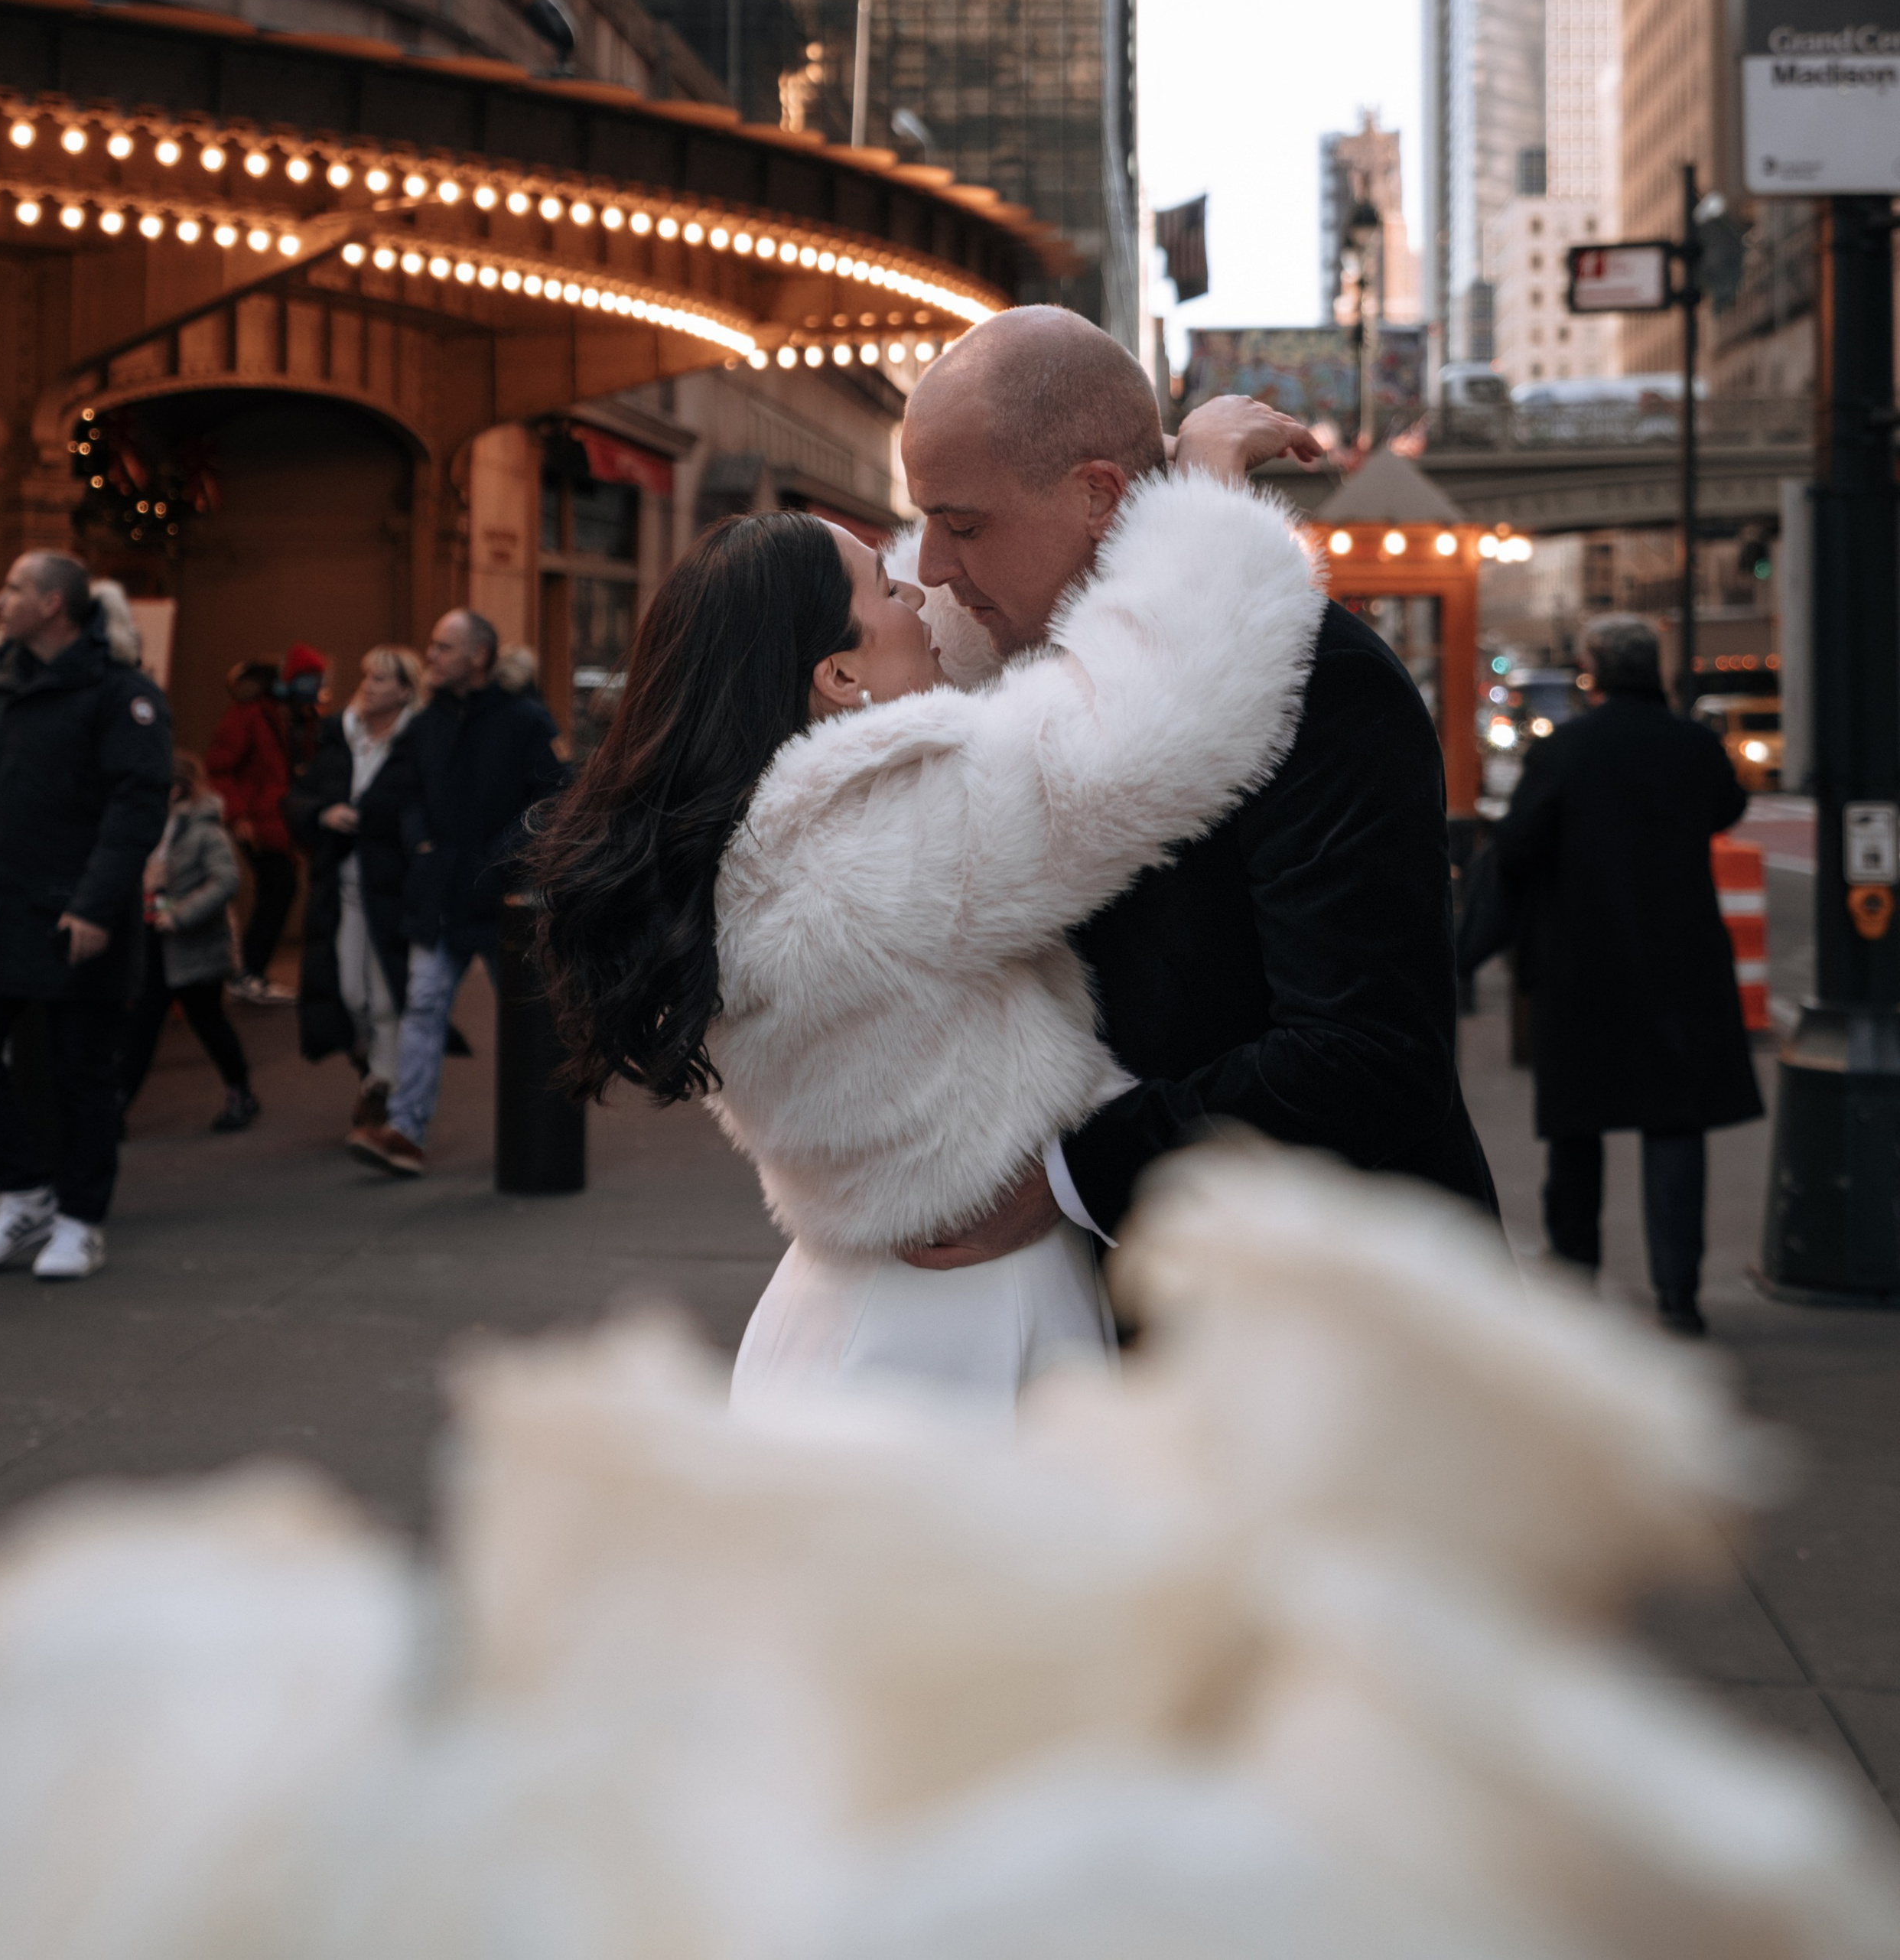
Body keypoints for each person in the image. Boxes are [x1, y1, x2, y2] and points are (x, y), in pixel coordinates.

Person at [532, 425, 1325, 1414]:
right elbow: (1152, 726)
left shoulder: (760, 837)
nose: (929, 590)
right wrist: (1202, 496)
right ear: (837, 676)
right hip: (963, 1329)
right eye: (893, 586)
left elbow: (937, 646)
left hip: (851, 1308)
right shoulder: (881, 831)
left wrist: (996, 531)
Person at [891, 307, 1499, 1277]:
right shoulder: (1007, 673)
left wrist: (1066, 1175)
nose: (931, 566)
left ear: (1098, 494)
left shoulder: (1315, 680)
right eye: (924, 521)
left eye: (964, 524)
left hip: (1333, 1326)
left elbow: (1367, 1059)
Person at [1494, 614, 1760, 1336]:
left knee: (1577, 1132)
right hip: (1681, 963)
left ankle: (1578, 1293)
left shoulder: (1568, 750)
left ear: (1596, 672)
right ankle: (1679, 1296)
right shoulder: (1693, 745)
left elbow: (1518, 843)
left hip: (1585, 964)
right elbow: (1727, 807)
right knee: (1676, 1128)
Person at [0, 552, 173, 1281]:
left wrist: (95, 904)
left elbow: (135, 807)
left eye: (12, 589)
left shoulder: (122, 695)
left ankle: (80, 1219)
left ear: (52, 605)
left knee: (81, 1073)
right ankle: (23, 1195)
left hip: (76, 919)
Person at [350, 611, 565, 1177]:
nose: (433, 655)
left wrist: (505, 856)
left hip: (503, 902)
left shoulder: (523, 720)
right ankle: (404, 1131)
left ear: (479, 655)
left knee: (527, 1017)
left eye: (444, 646)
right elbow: (398, 795)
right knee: (422, 1007)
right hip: (441, 896)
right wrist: (420, 839)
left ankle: (545, 1136)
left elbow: (554, 799)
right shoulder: (426, 725)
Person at [282, 645, 423, 1144]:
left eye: (382, 679)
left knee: (387, 993)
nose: (369, 685)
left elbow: (423, 810)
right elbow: (297, 798)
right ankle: (374, 1066)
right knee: (347, 991)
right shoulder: (337, 737)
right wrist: (323, 814)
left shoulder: (416, 744)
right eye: (366, 675)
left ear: (405, 690)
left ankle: (381, 1085)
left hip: (392, 887)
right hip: (339, 883)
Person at [119, 751, 257, 1132]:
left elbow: (226, 880)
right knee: (141, 1026)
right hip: (154, 942)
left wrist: (180, 914)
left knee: (208, 1022)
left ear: (175, 790)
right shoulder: (148, 826)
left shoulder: (205, 830)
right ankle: (114, 1107)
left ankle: (240, 1091)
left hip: (193, 945)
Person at [207, 659, 296, 1001]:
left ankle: (249, 972)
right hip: (258, 823)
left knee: (279, 890)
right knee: (278, 888)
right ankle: (248, 973)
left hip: (273, 821)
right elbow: (220, 769)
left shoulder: (277, 716)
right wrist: (239, 816)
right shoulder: (248, 716)